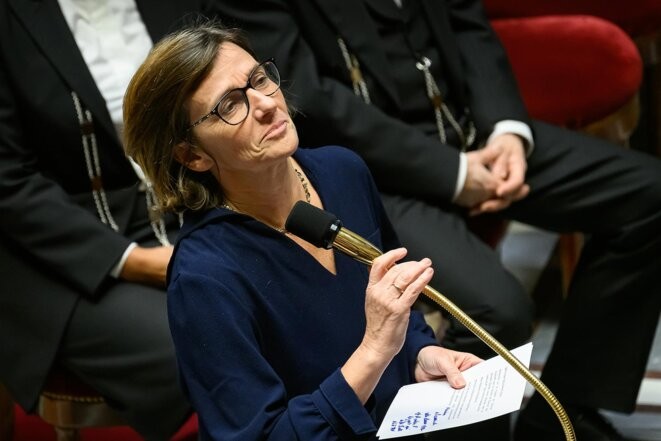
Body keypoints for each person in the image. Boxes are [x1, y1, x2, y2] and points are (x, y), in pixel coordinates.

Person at [214, 1, 661, 440]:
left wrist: (505, 129)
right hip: (379, 169)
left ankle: (562, 413)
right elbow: (308, 96)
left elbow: (469, 25)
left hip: (472, 129)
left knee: (648, 194)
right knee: (495, 310)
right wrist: (455, 174)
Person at [123, 21, 483, 440]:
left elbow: (396, 301)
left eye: (259, 79)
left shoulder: (342, 170)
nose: (266, 104)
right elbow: (261, 435)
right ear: (193, 155)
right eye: (229, 105)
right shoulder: (205, 276)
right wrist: (373, 354)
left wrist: (420, 353)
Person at [0, 2, 222, 439]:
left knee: (283, 302)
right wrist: (134, 260)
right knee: (204, 340)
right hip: (62, 253)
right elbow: (7, 180)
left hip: (193, 210)